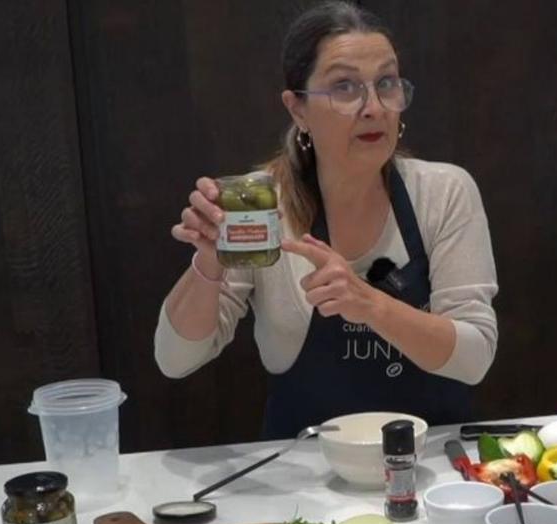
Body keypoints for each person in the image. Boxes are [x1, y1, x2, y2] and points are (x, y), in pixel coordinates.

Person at [155, 1, 498, 439]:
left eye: (386, 83)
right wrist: (208, 264)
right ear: (298, 109)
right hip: (304, 474)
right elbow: (175, 359)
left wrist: (368, 303)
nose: (373, 107)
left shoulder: (444, 192)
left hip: (429, 469)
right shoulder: (257, 205)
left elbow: (475, 358)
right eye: (345, 88)